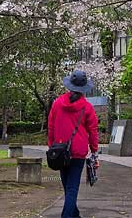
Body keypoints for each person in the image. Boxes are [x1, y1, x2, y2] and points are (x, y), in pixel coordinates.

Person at [48, 70, 100, 218]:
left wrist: (51, 146)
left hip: (59, 150)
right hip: (78, 153)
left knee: (68, 188)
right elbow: (93, 132)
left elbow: (51, 127)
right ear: (84, 88)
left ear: (69, 85)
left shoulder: (57, 103)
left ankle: (75, 215)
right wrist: (94, 152)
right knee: (71, 189)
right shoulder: (87, 107)